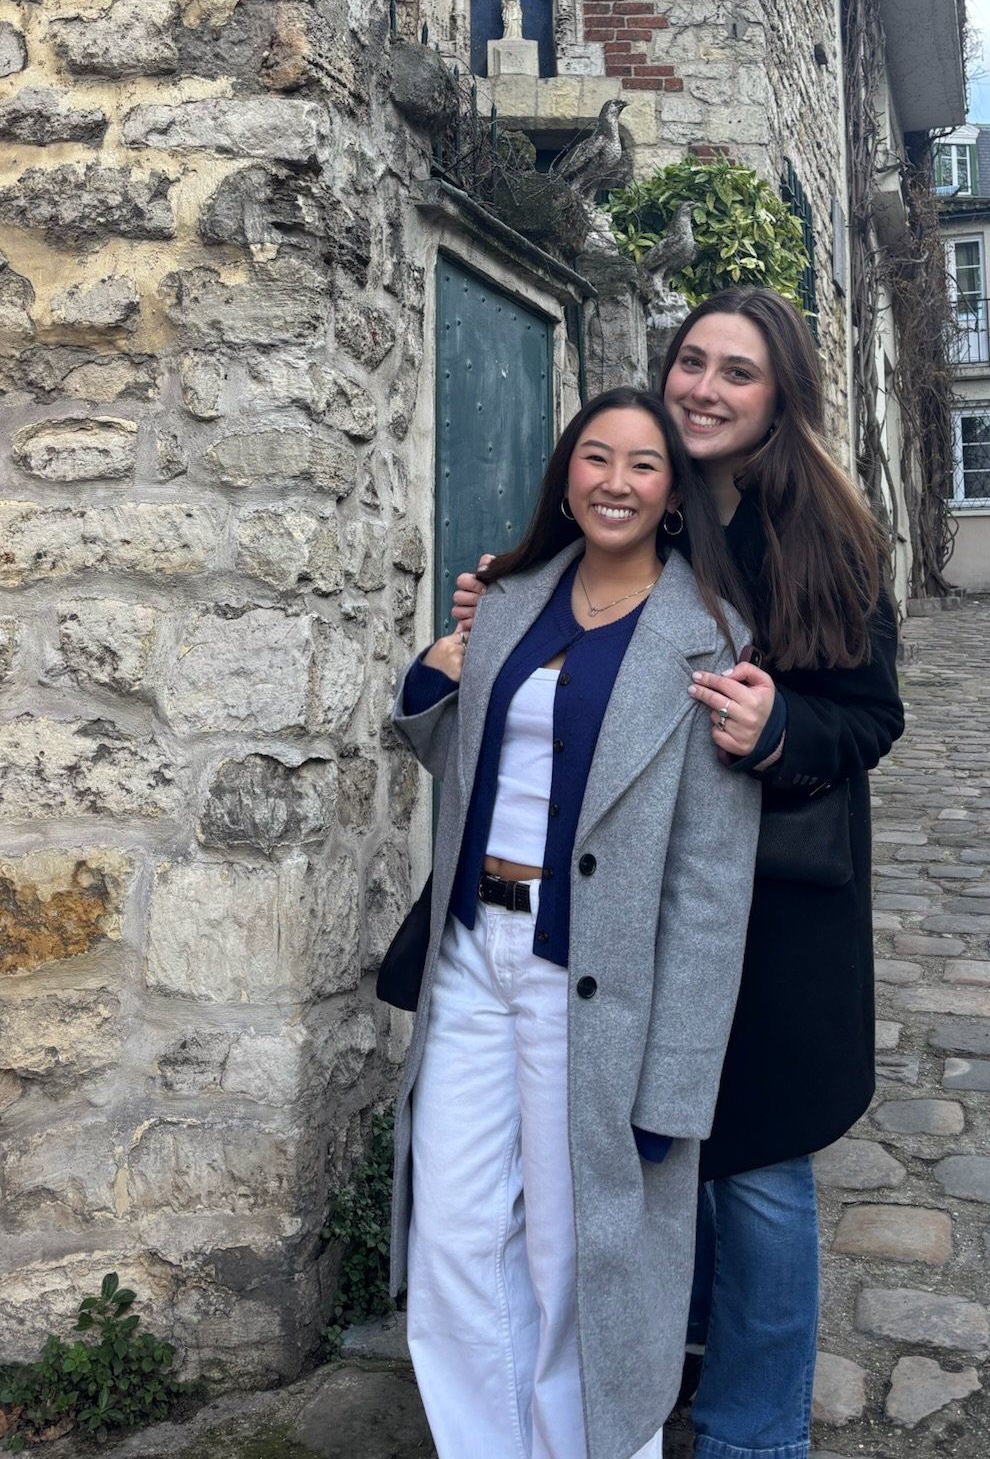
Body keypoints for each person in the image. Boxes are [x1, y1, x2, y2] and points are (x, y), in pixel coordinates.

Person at [455, 289, 905, 1459]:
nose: (704, 386)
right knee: (648, 1150)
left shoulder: (825, 530)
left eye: (736, 371)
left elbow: (870, 714)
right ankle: (662, 1359)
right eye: (690, 360)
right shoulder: (640, 494)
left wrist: (779, 726)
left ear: (780, 394)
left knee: (753, 1162)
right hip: (628, 896)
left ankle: (755, 1431)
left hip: (771, 908)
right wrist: (500, 610)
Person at [391, 388, 764, 1459]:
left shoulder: (709, 638)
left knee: (576, 1257)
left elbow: (709, 883)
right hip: (474, 956)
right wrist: (433, 676)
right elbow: (465, 759)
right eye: (595, 458)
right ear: (566, 478)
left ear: (672, 496)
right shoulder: (509, 601)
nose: (615, 482)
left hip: (592, 983)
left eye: (643, 465)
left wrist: (675, 1081)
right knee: (455, 1234)